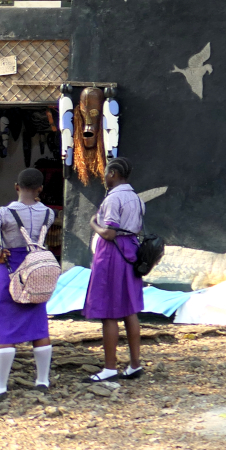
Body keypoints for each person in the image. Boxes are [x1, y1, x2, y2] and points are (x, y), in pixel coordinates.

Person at [0, 168, 53, 399]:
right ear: (40, 190)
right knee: (39, 324)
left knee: (5, 326)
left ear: (16, 186)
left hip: (10, 271)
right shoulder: (48, 214)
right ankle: (42, 380)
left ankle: (0, 386)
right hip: (37, 272)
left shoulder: (4, 214)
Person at [83, 156, 144, 381]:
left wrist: (93, 224)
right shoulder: (136, 198)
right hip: (131, 252)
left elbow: (109, 233)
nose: (104, 178)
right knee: (129, 309)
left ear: (113, 174)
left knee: (109, 311)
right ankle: (134, 364)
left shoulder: (113, 199)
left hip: (112, 253)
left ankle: (109, 368)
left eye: (106, 173)